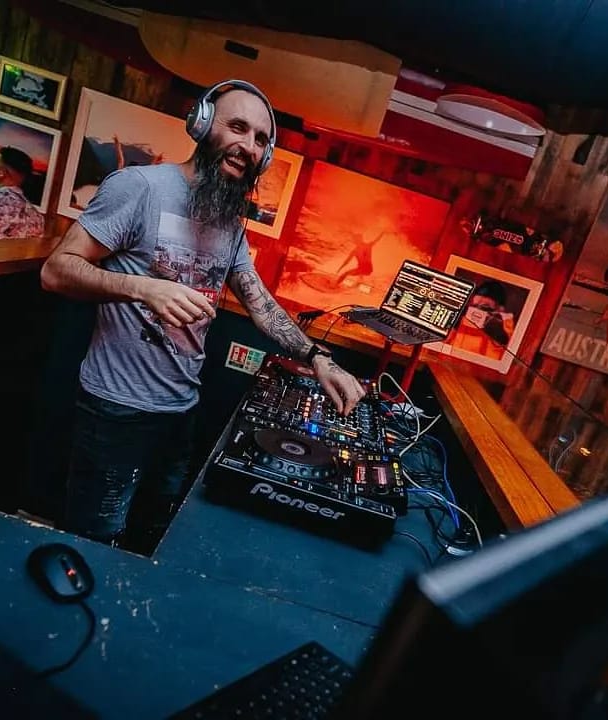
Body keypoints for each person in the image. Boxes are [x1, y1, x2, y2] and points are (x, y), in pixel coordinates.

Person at [40, 79, 366, 548]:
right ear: (202, 124)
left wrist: (318, 359)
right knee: (95, 538)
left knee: (154, 533)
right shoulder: (139, 187)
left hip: (180, 411)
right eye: (237, 127)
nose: (248, 146)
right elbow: (56, 270)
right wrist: (143, 288)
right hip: (116, 409)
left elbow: (260, 303)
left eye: (260, 139)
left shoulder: (229, 222)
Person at [449, 280, 515, 361]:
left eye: (485, 307)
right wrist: (454, 323)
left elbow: (506, 349)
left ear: (500, 309)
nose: (478, 311)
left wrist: (495, 328)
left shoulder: (505, 324)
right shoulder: (464, 316)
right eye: (475, 306)